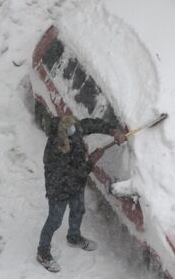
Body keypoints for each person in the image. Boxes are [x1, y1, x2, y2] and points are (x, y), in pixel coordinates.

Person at [37, 114, 127, 272]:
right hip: (59, 188)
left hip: (75, 184)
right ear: (62, 134)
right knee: (55, 221)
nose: (75, 130)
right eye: (71, 130)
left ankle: (73, 237)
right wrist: (91, 161)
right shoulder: (55, 150)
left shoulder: (73, 129)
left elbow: (92, 124)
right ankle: (43, 252)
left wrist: (113, 131)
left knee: (78, 210)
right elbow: (73, 174)